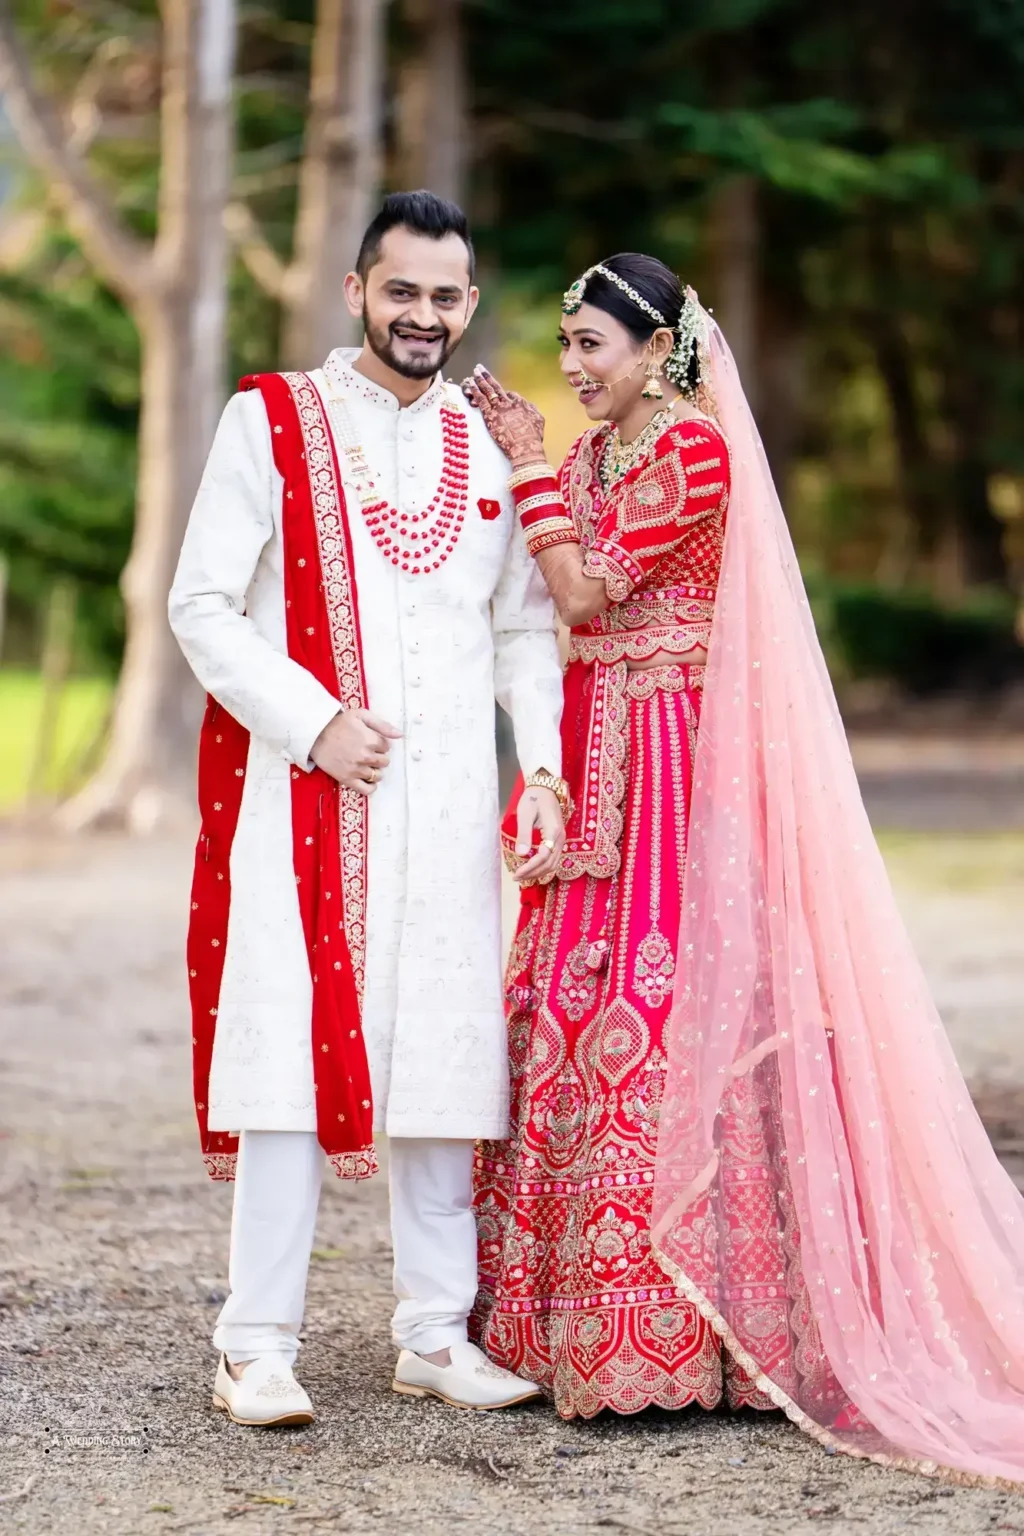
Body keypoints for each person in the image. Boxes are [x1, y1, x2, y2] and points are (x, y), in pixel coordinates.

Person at [462, 253, 1024, 1484]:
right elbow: (550, 611)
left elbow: (587, 589)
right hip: (594, 743)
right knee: (559, 998)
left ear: (657, 350)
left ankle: (698, 1335)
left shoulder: (692, 457)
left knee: (660, 1009)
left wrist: (523, 466)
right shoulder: (595, 454)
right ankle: (563, 1330)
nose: (567, 368)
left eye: (589, 348)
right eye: (562, 346)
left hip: (670, 760)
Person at [168, 191, 569, 1426]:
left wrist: (539, 767)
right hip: (310, 797)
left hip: (449, 806)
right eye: (403, 291)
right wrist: (311, 723)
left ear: (468, 304)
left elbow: (523, 629)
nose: (425, 316)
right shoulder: (272, 420)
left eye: (447, 296)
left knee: (448, 1061)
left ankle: (434, 1334)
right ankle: (256, 1344)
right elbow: (201, 604)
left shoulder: (493, 442)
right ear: (357, 292)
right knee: (290, 1055)